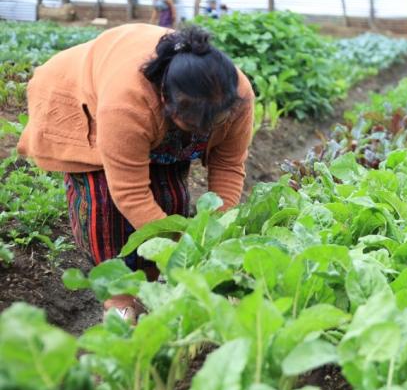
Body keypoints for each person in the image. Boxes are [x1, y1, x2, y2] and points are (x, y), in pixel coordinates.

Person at [17, 24, 254, 322]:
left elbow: (228, 166)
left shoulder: (236, 93)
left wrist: (215, 235)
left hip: (151, 116)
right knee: (104, 208)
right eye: (195, 125)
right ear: (167, 102)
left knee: (169, 196)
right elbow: (129, 192)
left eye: (216, 121)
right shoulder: (127, 102)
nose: (207, 131)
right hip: (80, 99)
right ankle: (121, 300)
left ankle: (151, 288)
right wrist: (178, 246)